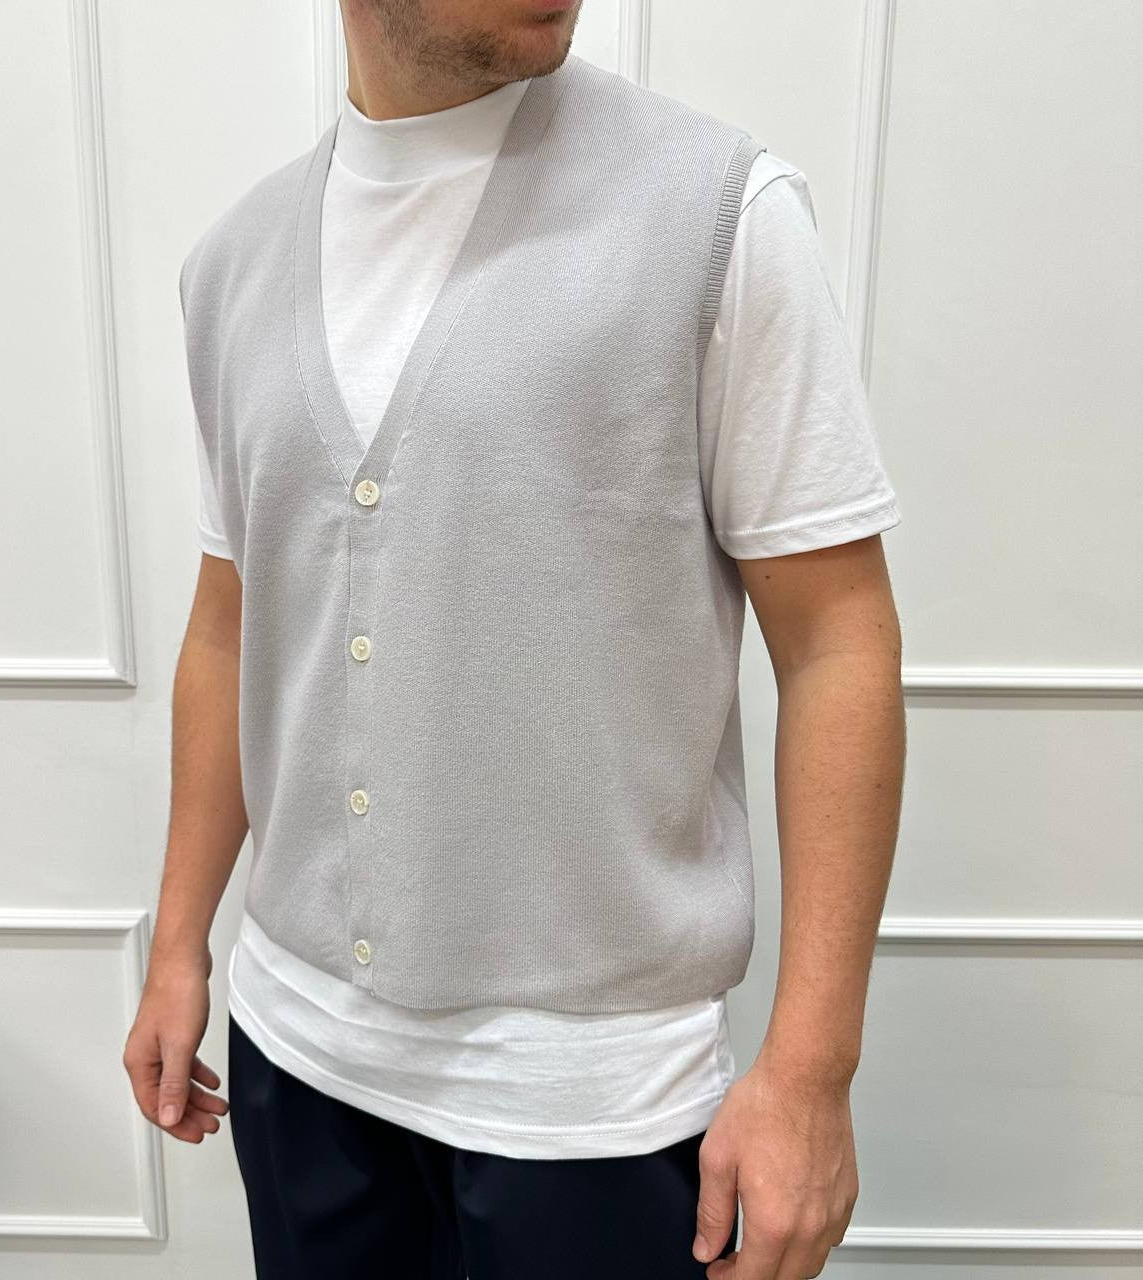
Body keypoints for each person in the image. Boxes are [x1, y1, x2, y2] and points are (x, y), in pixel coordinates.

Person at [122, 2, 907, 1276]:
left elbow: (836, 641)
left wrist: (811, 1071)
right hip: (296, 1055)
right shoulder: (232, 265)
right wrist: (176, 948)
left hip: (590, 1101)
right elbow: (231, 624)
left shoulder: (716, 213)